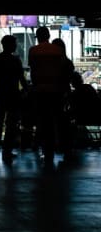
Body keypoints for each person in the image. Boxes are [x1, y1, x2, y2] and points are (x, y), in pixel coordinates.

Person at [28, 26, 71, 166]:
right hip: (56, 91)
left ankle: (47, 151)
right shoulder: (58, 51)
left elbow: (33, 72)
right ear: (48, 36)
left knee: (44, 121)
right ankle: (61, 147)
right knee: (57, 120)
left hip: (40, 91)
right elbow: (63, 71)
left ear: (38, 37)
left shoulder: (33, 51)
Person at [0, 35, 29, 164]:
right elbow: (21, 78)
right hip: (13, 96)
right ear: (11, 45)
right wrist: (27, 90)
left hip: (1, 95)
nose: (16, 46)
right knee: (11, 125)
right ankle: (7, 151)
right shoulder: (15, 60)